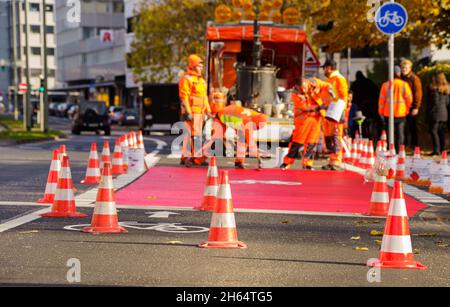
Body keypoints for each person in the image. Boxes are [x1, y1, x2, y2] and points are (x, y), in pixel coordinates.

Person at [280, 77, 328, 170]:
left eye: (304, 88)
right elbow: (305, 107)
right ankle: (287, 162)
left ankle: (308, 164)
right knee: (296, 142)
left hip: (316, 119)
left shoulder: (314, 82)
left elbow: (326, 85)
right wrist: (319, 107)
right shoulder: (295, 94)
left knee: (312, 143)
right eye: (301, 89)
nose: (303, 91)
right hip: (303, 120)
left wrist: (329, 91)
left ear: (306, 83)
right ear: (297, 87)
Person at [208, 101, 268, 169]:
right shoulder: (247, 124)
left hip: (232, 116)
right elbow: (251, 144)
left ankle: (239, 161)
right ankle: (197, 159)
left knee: (242, 140)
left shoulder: (256, 116)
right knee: (216, 139)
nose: (256, 129)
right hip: (222, 116)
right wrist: (259, 159)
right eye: (256, 127)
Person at [178, 54, 212, 167]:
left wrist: (208, 111)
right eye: (199, 66)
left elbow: (204, 97)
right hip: (191, 113)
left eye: (202, 66)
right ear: (192, 66)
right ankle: (191, 158)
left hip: (200, 113)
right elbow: (184, 97)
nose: (201, 68)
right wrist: (188, 112)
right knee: (191, 136)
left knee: (194, 136)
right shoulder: (186, 79)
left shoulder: (201, 81)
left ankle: (188, 157)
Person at [321, 59, 349, 171]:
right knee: (329, 137)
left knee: (336, 136)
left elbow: (343, 97)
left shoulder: (339, 79)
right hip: (329, 112)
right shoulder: (331, 80)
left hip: (335, 113)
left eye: (324, 68)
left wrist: (340, 112)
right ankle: (332, 160)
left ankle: (336, 161)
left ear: (328, 68)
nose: (323, 70)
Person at [378, 66, 413, 153]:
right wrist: (407, 110)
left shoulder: (385, 85)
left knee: (390, 133)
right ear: (399, 73)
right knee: (400, 133)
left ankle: (391, 150)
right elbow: (409, 99)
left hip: (388, 113)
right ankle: (400, 150)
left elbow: (381, 101)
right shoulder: (404, 84)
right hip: (400, 113)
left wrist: (381, 112)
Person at [350, 71, 380, 139]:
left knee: (360, 122)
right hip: (369, 107)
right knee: (369, 122)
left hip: (360, 107)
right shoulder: (369, 82)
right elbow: (376, 93)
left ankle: (362, 135)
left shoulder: (355, 84)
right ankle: (371, 135)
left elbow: (352, 96)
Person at [401, 59, 423, 149]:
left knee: (412, 127)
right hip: (402, 107)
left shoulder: (414, 79)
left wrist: (416, 107)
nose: (404, 69)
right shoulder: (400, 78)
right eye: (402, 68)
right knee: (404, 128)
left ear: (410, 68)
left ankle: (415, 146)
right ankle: (405, 145)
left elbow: (418, 94)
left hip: (411, 107)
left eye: (406, 68)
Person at [427, 72, 450, 156]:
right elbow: (447, 102)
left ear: (436, 79)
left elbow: (434, 102)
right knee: (441, 131)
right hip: (444, 113)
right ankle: (442, 149)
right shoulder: (446, 89)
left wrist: (430, 112)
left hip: (435, 113)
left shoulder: (434, 89)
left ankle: (436, 150)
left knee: (433, 131)